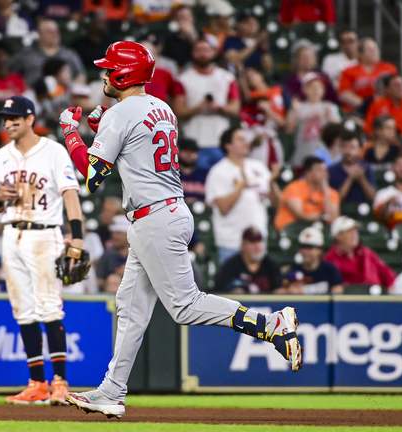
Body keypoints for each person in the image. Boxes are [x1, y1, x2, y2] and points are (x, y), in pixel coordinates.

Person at [59, 41, 303, 418]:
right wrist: (100, 125)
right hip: (166, 211)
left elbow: (93, 177)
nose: (104, 75)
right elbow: (136, 148)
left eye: (110, 69)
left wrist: (71, 134)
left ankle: (270, 323)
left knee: (185, 305)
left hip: (155, 217)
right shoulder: (163, 107)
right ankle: (111, 390)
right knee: (131, 307)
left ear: (124, 74)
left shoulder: (121, 114)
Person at [0, 95, 86, 406]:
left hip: (45, 235)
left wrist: (78, 237)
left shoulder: (53, 151)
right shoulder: (1, 156)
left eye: (15, 117)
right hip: (12, 234)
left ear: (30, 119)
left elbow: (70, 193)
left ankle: (60, 382)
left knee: (49, 307)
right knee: (23, 311)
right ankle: (37, 383)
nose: (9, 123)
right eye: (5, 118)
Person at [206, 127, 280, 263]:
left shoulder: (258, 167)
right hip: (231, 243)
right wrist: (242, 185)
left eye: (246, 139)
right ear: (228, 145)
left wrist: (271, 182)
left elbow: (277, 204)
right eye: (240, 139)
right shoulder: (218, 171)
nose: (246, 142)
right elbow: (223, 208)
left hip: (258, 241)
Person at [177, 39, 241, 171]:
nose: (202, 54)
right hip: (194, 140)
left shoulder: (227, 78)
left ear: (214, 52)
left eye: (206, 50)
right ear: (193, 53)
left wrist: (219, 107)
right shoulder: (183, 79)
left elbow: (235, 108)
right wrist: (199, 107)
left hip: (220, 140)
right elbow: (178, 111)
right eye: (198, 50)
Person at [284, 72, 341, 167]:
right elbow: (289, 130)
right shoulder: (298, 107)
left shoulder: (330, 106)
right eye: (312, 87)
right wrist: (295, 112)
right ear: (304, 89)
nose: (316, 90)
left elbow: (339, 131)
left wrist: (329, 116)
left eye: (319, 87)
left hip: (326, 155)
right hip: (303, 153)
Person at [323, 216, 396, 287]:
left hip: (373, 296)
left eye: (355, 230)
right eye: (349, 231)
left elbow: (387, 274)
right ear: (338, 236)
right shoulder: (330, 259)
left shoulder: (367, 253)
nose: (354, 234)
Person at [9, 19, 86, 87]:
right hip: (34, 96)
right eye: (49, 32)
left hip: (64, 98)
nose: (54, 34)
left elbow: (80, 76)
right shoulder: (25, 55)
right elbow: (11, 74)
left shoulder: (69, 54)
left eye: (56, 31)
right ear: (40, 35)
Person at [274, 156, 340, 231]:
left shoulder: (332, 193)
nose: (324, 174)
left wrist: (325, 191)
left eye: (325, 170)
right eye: (319, 170)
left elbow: (334, 219)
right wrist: (319, 217)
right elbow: (299, 215)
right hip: (292, 228)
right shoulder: (294, 187)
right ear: (308, 172)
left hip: (315, 230)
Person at [337, 38, 397, 114]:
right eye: (370, 50)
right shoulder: (349, 71)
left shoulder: (388, 69)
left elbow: (396, 89)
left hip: (386, 108)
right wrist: (365, 105)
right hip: (359, 109)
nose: (375, 52)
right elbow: (344, 94)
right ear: (361, 54)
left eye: (376, 49)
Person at [213, 227, 282, 293]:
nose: (257, 246)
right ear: (243, 245)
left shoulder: (270, 265)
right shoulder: (231, 265)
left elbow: (277, 289)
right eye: (252, 242)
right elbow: (221, 289)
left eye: (259, 241)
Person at [279, 227, 344, 294]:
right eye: (303, 247)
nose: (305, 251)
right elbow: (279, 291)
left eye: (310, 247)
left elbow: (338, 290)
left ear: (319, 250)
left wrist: (305, 290)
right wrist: (288, 291)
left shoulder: (329, 270)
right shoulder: (292, 270)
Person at [364, 74, 402, 138]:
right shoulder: (377, 105)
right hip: (386, 143)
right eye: (397, 85)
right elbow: (368, 130)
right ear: (387, 89)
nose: (401, 88)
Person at [328, 129, 377, 203]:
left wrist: (362, 179)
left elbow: (374, 198)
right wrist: (350, 178)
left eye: (352, 147)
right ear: (340, 148)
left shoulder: (366, 167)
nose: (348, 151)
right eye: (344, 147)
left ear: (359, 149)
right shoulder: (332, 170)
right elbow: (335, 200)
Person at [137, 33, 185, 106]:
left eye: (154, 45)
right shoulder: (132, 67)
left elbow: (176, 91)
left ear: (160, 47)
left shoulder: (168, 66)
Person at [95, 215, 130, 287]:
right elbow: (98, 282)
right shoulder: (107, 256)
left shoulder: (138, 256)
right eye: (113, 233)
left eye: (119, 233)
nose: (114, 236)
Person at [177, 138, 208, 203]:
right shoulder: (172, 174)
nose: (189, 155)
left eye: (192, 152)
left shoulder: (205, 175)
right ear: (178, 153)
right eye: (185, 151)